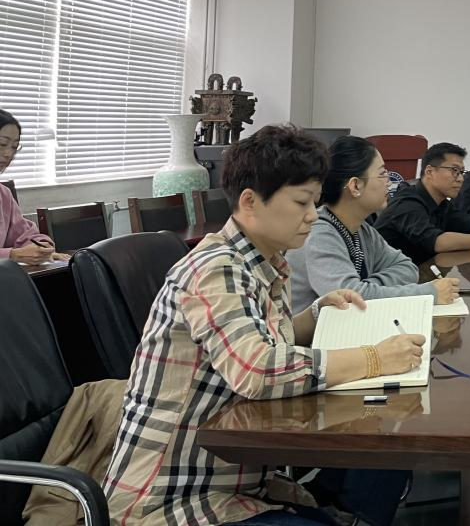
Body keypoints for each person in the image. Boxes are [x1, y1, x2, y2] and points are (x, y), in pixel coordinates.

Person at [104, 124, 425, 526]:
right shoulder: (216, 269)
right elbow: (257, 370)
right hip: (173, 498)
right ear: (250, 201)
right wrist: (374, 358)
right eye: (301, 202)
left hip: (236, 480)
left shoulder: (265, 264)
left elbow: (268, 340)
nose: (312, 216)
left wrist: (316, 314)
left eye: (315, 202)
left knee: (383, 443)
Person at [289, 135, 461, 312]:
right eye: (382, 174)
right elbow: (350, 300)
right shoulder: (319, 234)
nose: (388, 181)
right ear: (355, 186)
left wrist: (366, 286)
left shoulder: (362, 229)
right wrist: (428, 293)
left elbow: (408, 269)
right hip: (318, 330)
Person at [375, 142, 470, 260]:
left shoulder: (442, 204)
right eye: (455, 170)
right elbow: (438, 242)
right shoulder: (407, 203)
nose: (461, 179)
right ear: (429, 172)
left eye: (462, 172)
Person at [0, 109, 69, 263]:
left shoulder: (3, 194)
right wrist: (11, 255)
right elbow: (14, 253)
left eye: (14, 147)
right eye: (2, 144)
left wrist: (41, 247)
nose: (8, 154)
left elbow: (25, 235)